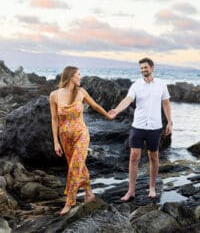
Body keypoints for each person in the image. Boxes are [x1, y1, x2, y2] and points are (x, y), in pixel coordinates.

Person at [50, 66, 112, 215]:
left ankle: (69, 201)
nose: (80, 77)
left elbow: (95, 106)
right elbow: (54, 119)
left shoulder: (81, 92)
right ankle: (89, 193)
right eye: (78, 74)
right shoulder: (54, 95)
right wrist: (56, 142)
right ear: (71, 76)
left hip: (81, 134)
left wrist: (108, 116)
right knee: (79, 165)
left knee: (75, 165)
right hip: (65, 137)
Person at [109, 57, 172, 201]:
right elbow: (128, 100)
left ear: (152, 68)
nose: (143, 70)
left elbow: (166, 104)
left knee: (153, 157)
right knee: (133, 157)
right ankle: (131, 191)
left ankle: (152, 187)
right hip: (138, 126)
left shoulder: (161, 84)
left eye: (145, 67)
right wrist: (116, 110)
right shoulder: (136, 85)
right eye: (141, 68)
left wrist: (170, 122)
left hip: (155, 127)